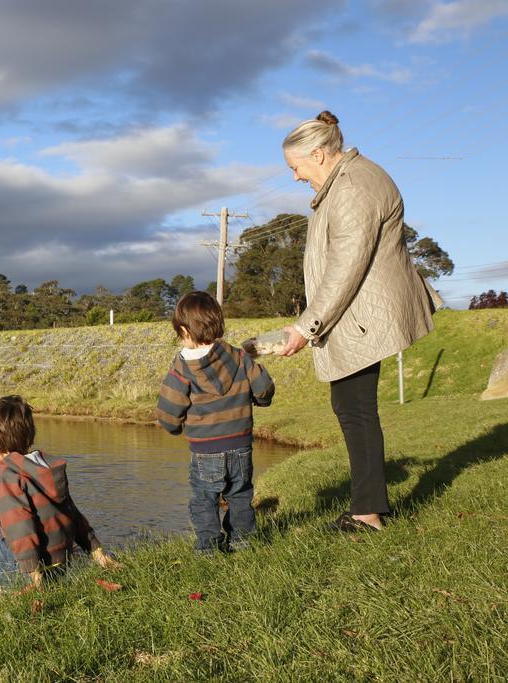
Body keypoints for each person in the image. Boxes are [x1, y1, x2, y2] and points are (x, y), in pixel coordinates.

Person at [279, 111, 442, 532]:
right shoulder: (348, 180)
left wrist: (305, 327)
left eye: (295, 167)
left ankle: (367, 516)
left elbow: (345, 268)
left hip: (361, 315)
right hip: (357, 312)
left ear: (317, 153)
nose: (295, 177)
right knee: (352, 407)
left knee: (355, 410)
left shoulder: (352, 186)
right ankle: (368, 508)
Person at [156, 291, 276, 553]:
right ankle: (243, 543)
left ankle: (208, 548)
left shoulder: (182, 368)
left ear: (185, 330)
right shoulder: (239, 356)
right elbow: (264, 387)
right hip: (240, 443)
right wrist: (260, 401)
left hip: (205, 449)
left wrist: (173, 427)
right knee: (240, 495)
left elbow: (169, 410)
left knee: (204, 499)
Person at [0, 395, 119, 589]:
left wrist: (34, 576)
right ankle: (36, 573)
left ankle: (13, 584)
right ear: (30, 436)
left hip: (41, 565)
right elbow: (73, 515)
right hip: (61, 557)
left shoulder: (5, 476)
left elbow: (21, 526)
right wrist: (97, 552)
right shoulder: (44, 466)